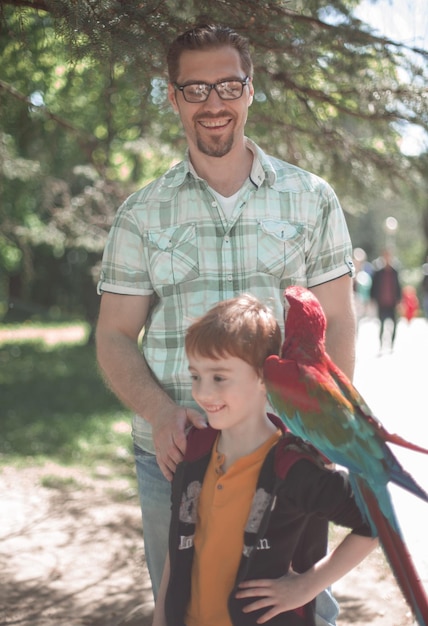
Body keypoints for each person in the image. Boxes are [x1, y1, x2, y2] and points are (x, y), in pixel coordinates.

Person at [95, 23, 356, 620]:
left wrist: (320, 419)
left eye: (228, 85)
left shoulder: (311, 197)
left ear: (250, 89)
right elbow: (113, 334)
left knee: (299, 609)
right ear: (172, 96)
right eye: (195, 89)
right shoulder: (141, 213)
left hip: (284, 447)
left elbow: (338, 320)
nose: (214, 103)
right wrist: (162, 414)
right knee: (185, 607)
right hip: (175, 453)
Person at [152, 294, 377, 626]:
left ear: (263, 376)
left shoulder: (294, 468)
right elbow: (178, 543)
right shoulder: (194, 450)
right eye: (196, 375)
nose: (203, 393)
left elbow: (376, 521)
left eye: (219, 377)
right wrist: (161, 617)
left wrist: (306, 587)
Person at [370, 249, 402, 349]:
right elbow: (374, 286)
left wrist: (399, 300)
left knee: (394, 324)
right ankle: (381, 343)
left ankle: (392, 343)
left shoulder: (395, 272)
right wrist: (373, 299)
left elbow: (398, 286)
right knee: (382, 323)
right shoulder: (378, 272)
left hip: (392, 302)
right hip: (382, 302)